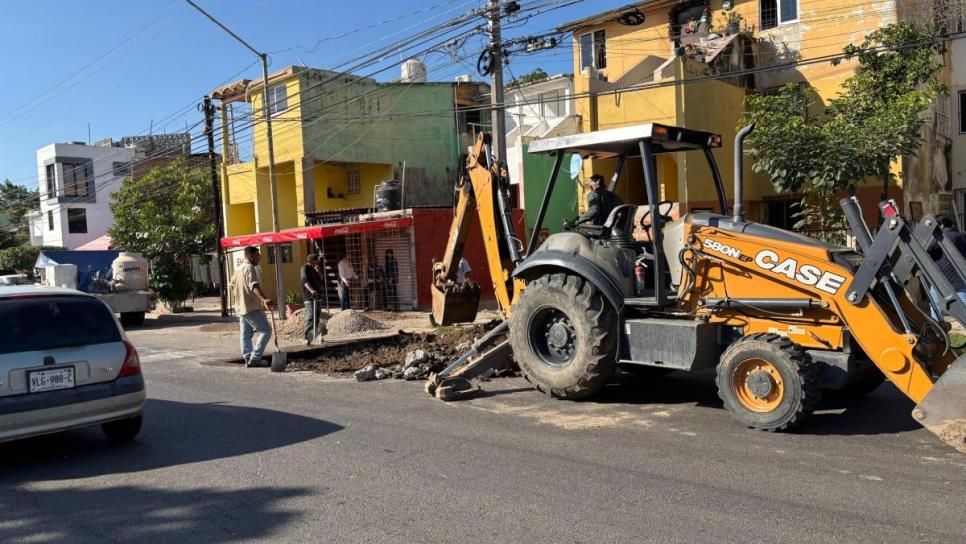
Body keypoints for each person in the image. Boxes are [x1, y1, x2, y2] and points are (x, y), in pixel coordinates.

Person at [232, 246, 274, 367]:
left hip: (240, 307)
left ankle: (247, 357)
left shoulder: (238, 269)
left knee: (245, 335)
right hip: (250, 307)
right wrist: (264, 299)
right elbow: (254, 285)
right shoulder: (249, 268)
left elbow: (232, 286)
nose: (259, 258)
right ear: (249, 256)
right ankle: (255, 358)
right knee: (266, 330)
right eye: (257, 256)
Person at [927, 215, 966, 319]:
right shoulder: (960, 235)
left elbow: (927, 248)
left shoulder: (942, 236)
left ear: (942, 225)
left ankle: (937, 331)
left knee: (936, 308)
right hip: (960, 277)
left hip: (942, 278)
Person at [301, 254, 324, 345]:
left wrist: (319, 271)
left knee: (317, 317)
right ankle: (306, 337)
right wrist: (312, 291)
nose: (317, 263)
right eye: (315, 261)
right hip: (309, 297)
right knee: (310, 317)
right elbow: (304, 280)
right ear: (311, 261)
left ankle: (314, 335)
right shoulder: (304, 268)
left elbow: (321, 279)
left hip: (318, 297)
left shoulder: (315, 269)